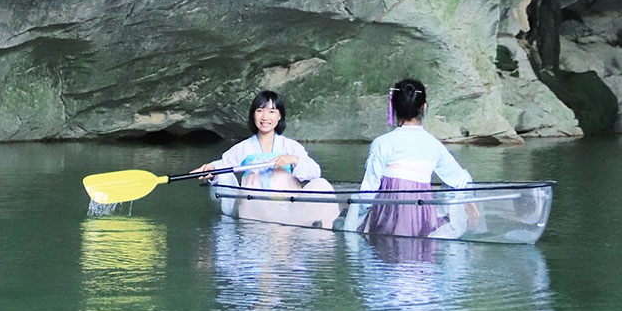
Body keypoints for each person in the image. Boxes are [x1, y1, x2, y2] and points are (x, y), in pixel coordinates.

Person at [191, 90, 339, 228]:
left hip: (290, 207)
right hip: (254, 210)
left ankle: (325, 225)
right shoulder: (244, 148)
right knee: (251, 197)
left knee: (321, 184)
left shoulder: (290, 146)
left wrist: (294, 160)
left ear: (279, 116)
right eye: (260, 110)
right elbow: (223, 166)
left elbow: (314, 172)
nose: (265, 117)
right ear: (253, 115)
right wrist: (211, 169)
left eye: (272, 111)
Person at [354, 78, 473, 238]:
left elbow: (369, 191)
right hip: (423, 222)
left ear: (393, 107)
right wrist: (467, 201)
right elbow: (460, 180)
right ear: (424, 107)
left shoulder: (381, 143)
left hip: (385, 222)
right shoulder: (433, 145)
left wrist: (355, 215)